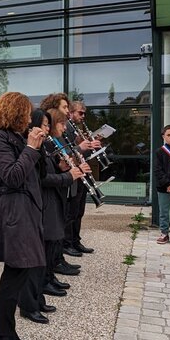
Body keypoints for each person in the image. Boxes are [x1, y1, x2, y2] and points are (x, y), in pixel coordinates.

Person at [0, 92, 47, 340]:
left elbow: (35, 172)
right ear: (14, 113)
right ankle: (4, 333)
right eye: (25, 112)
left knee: (20, 271)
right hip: (13, 211)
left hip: (24, 210)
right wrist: (31, 148)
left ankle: (6, 331)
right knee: (15, 272)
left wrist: (37, 147)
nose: (28, 118)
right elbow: (11, 176)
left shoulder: (16, 137)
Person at [41, 109, 85, 296]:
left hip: (57, 195)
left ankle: (50, 276)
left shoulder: (51, 142)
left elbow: (52, 170)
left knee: (56, 238)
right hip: (48, 199)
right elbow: (41, 177)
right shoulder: (44, 144)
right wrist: (67, 175)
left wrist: (64, 169)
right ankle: (45, 279)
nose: (64, 127)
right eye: (61, 123)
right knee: (49, 241)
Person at [65, 100, 100, 255]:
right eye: (80, 112)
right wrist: (82, 146)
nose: (83, 116)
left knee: (79, 210)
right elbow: (67, 153)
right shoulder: (66, 128)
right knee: (71, 211)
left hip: (81, 172)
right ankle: (67, 243)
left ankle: (75, 240)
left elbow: (81, 154)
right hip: (72, 173)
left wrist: (92, 146)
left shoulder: (77, 129)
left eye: (84, 113)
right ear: (71, 113)